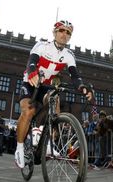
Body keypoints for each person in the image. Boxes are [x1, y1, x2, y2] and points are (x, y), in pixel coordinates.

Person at [14, 20, 93, 168]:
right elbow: (32, 61)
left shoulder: (69, 55)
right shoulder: (42, 45)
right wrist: (32, 72)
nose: (64, 34)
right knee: (28, 111)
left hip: (46, 86)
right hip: (30, 82)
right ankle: (19, 148)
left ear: (70, 37)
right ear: (54, 32)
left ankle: (48, 142)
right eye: (62, 31)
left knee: (54, 101)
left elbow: (75, 76)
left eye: (68, 32)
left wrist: (82, 88)